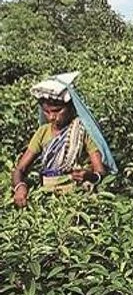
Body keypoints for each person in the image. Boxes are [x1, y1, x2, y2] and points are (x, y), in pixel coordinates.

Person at [11, 72, 118, 207]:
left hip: (75, 199)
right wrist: (20, 187)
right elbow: (19, 169)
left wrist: (89, 176)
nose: (51, 117)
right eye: (47, 112)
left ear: (71, 108)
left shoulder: (81, 131)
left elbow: (100, 170)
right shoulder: (43, 132)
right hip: (46, 196)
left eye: (57, 111)